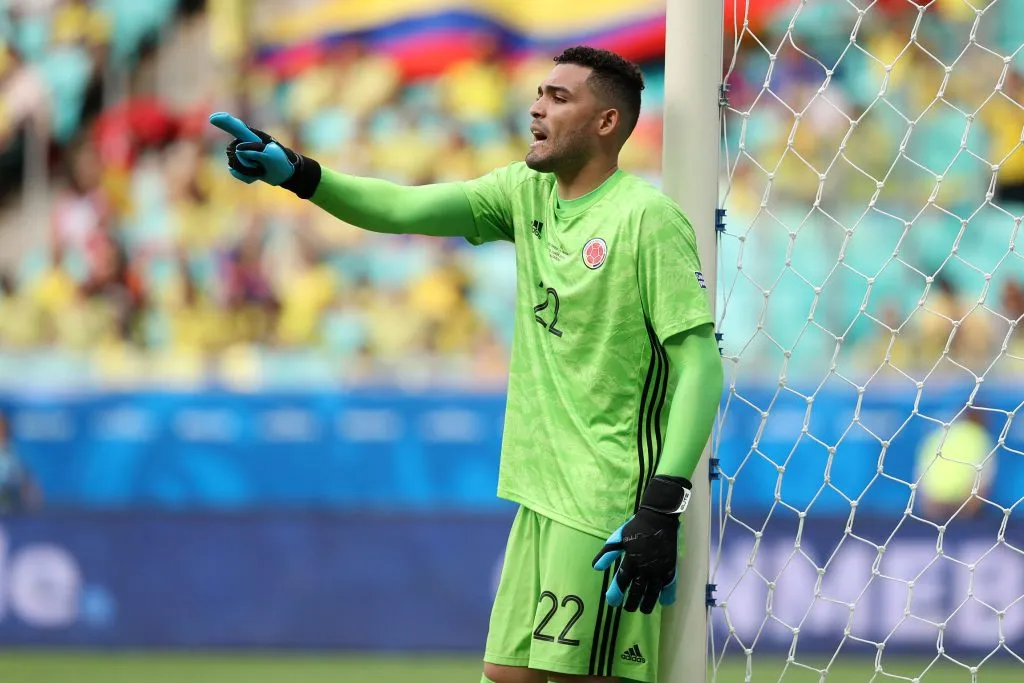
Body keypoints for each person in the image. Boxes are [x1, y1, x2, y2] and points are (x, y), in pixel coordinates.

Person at [210, 45, 723, 683]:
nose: (536, 106)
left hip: (605, 501)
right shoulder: (523, 193)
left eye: (559, 97)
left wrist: (661, 504)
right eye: (538, 93)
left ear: (606, 123)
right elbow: (397, 209)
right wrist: (297, 174)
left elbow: (700, 364)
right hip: (539, 497)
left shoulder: (646, 219)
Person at [915, 408, 996, 521]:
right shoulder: (980, 437)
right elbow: (984, 480)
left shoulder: (939, 434)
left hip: (933, 502)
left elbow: (921, 471)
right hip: (963, 504)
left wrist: (927, 502)